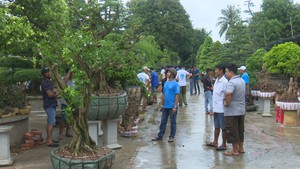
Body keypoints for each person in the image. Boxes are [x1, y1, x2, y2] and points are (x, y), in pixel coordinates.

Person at [151, 68, 180, 142]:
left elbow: (177, 96)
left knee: (173, 122)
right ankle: (160, 135)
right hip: (165, 106)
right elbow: (163, 94)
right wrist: (161, 104)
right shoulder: (166, 83)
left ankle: (171, 136)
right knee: (163, 121)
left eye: (169, 72)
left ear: (173, 74)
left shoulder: (176, 84)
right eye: (167, 72)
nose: (167, 74)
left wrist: (175, 106)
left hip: (172, 106)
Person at [224, 63, 246, 156]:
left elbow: (228, 94)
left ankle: (234, 150)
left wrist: (227, 104)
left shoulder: (231, 82)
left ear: (231, 72)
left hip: (232, 111)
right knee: (240, 129)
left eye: (226, 72)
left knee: (232, 130)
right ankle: (241, 148)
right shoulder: (241, 80)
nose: (226, 74)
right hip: (241, 110)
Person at [206, 64, 228, 151]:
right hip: (216, 107)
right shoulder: (217, 81)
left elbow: (227, 94)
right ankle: (215, 141)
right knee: (217, 126)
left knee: (223, 127)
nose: (215, 71)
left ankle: (224, 144)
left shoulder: (224, 82)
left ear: (221, 71)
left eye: (216, 70)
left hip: (222, 109)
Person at [40, 67, 59, 147]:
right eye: (47, 72)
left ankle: (49, 138)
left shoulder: (48, 82)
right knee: (51, 122)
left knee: (49, 122)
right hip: (49, 105)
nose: (49, 73)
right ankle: (49, 141)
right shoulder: (45, 83)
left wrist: (54, 92)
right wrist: (56, 94)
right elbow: (50, 94)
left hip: (51, 104)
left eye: (49, 71)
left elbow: (52, 91)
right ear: (44, 74)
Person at [58, 68, 75, 140]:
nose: (73, 74)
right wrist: (69, 72)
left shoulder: (74, 81)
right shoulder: (63, 79)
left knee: (70, 118)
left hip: (72, 102)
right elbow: (64, 81)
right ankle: (61, 133)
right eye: (71, 72)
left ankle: (68, 132)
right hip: (65, 102)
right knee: (63, 118)